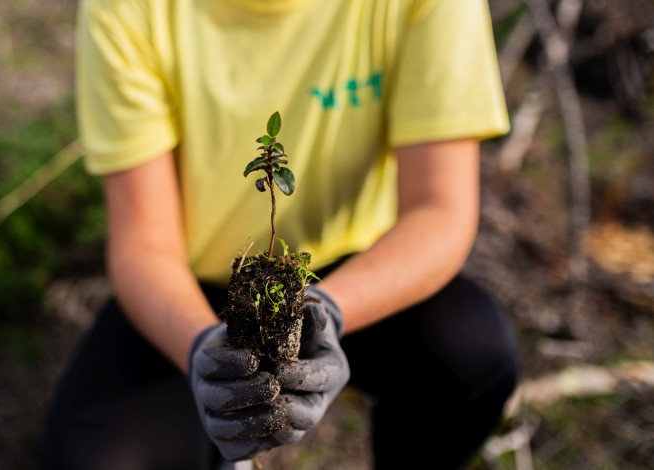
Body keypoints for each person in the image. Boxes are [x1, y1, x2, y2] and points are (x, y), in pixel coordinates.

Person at [42, 0, 521, 468]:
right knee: (94, 457)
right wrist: (201, 352)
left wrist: (327, 312)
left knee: (471, 348)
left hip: (355, 273)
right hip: (192, 289)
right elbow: (143, 244)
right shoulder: (127, 9)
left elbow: (441, 211)